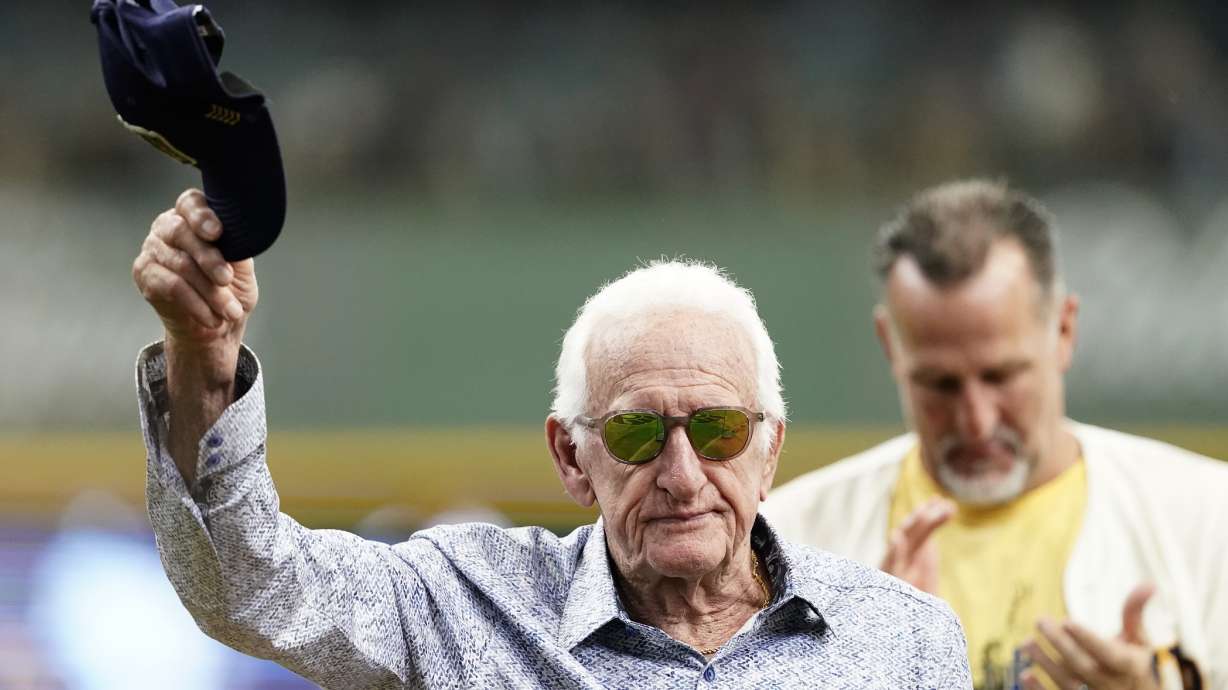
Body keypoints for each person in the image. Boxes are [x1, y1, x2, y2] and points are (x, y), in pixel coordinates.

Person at [129, 189, 970, 688]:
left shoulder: (905, 643)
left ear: (770, 446)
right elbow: (249, 584)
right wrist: (202, 357)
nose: (682, 475)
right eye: (639, 433)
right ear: (572, 456)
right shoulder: (465, 606)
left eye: (717, 431)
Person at [762, 179, 1227, 690]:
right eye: (940, 384)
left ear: (1065, 331)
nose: (976, 420)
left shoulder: (1207, 522)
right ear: (890, 346)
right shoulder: (786, 542)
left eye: (1002, 376)